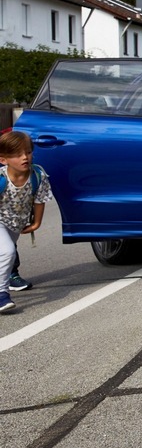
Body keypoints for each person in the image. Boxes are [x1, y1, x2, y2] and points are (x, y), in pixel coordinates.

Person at [0, 131, 53, 313]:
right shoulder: (1, 179)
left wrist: (36, 223)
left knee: (6, 256)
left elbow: (40, 199)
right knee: (7, 252)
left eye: (28, 152)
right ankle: (2, 295)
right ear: (3, 159)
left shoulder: (37, 175)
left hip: (16, 223)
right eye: (17, 154)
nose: (24, 157)